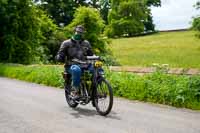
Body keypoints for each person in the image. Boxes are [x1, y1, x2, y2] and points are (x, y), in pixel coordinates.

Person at [55, 25, 94, 99]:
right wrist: (59, 57)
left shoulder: (86, 43)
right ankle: (75, 91)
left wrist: (96, 58)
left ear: (83, 34)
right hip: (71, 65)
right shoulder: (66, 43)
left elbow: (91, 54)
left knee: (97, 67)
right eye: (78, 32)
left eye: (81, 33)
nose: (79, 34)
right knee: (76, 70)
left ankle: (96, 88)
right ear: (74, 32)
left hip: (84, 65)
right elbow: (60, 54)